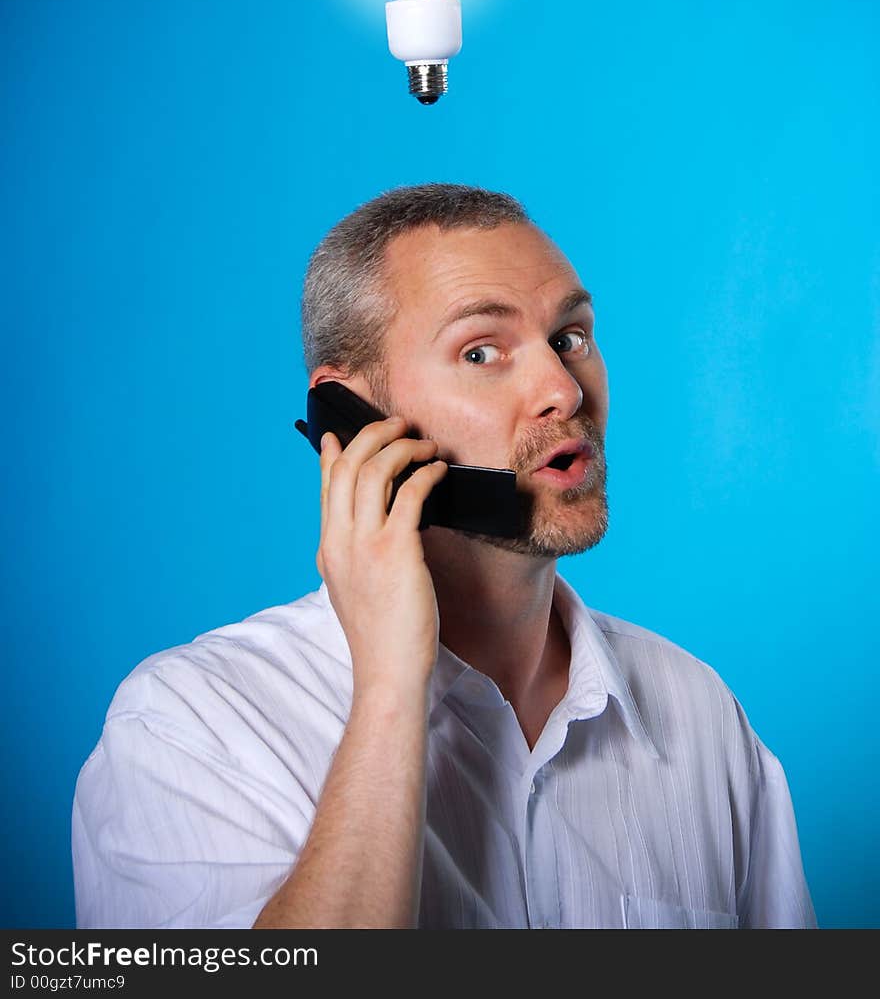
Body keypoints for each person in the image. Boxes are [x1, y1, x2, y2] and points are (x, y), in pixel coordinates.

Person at [72, 183, 817, 929]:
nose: (562, 389)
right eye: (482, 351)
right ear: (355, 413)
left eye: (571, 338)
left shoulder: (700, 714)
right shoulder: (189, 728)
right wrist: (393, 687)